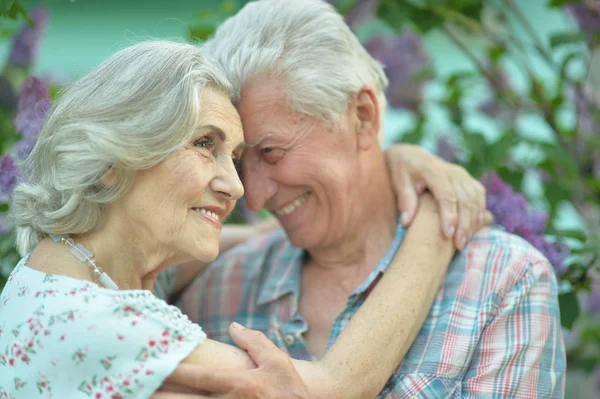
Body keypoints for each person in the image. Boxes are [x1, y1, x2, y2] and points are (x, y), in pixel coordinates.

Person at [0, 40, 489, 399]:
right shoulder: (99, 322)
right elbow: (331, 388)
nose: (236, 186)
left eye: (234, 157)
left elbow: (253, 233)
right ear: (112, 161)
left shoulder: (61, 272)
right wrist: (434, 219)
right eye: (203, 144)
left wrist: (389, 163)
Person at [173, 0, 567, 397]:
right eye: (240, 163)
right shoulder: (217, 290)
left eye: (272, 152)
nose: (254, 196)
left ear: (363, 116)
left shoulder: (504, 283)